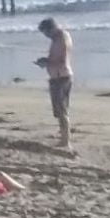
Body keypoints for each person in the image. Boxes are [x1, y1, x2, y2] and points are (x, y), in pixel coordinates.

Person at [35, 17, 73, 150]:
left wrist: (47, 63)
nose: (46, 36)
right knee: (61, 110)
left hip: (60, 76)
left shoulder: (60, 39)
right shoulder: (61, 37)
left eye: (46, 33)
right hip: (62, 75)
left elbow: (61, 60)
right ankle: (63, 135)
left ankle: (65, 140)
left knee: (61, 110)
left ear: (51, 29)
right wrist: (47, 61)